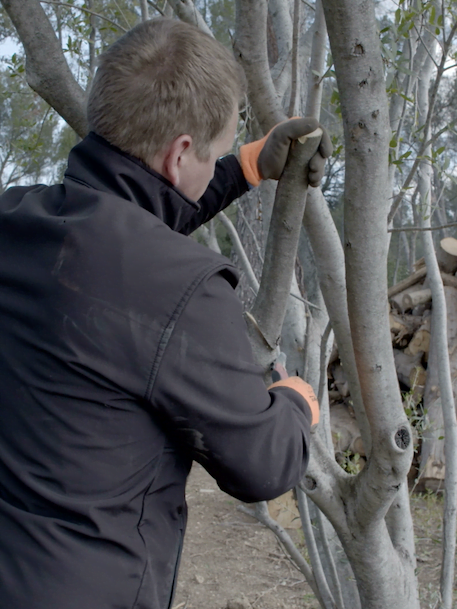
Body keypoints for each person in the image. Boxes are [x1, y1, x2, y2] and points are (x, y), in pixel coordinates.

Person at [0, 18, 330, 609]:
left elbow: (122, 229)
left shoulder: (19, 220)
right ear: (180, 154)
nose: (217, 165)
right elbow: (262, 465)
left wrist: (246, 166)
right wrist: (295, 404)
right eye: (217, 153)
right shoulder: (185, 291)